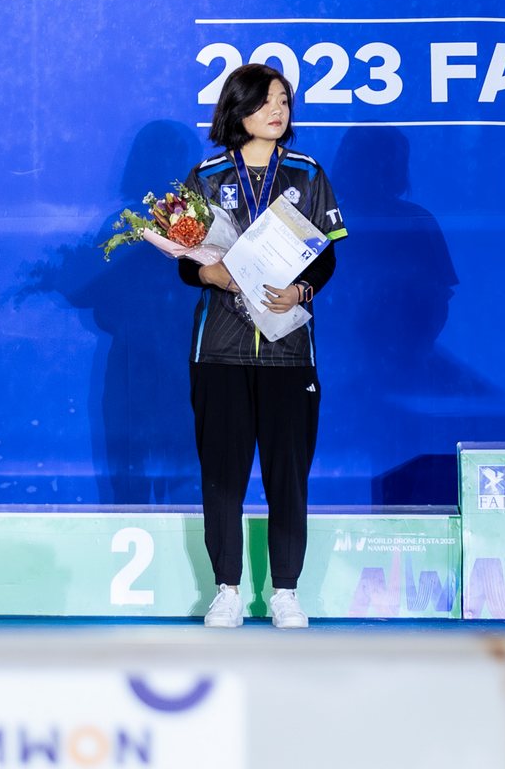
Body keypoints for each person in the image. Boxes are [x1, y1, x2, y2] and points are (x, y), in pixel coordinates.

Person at [179, 65, 349, 630]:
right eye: (264, 101)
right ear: (238, 108)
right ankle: (226, 591)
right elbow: (185, 261)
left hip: (288, 349)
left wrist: (301, 290)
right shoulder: (207, 176)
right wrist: (209, 274)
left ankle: (286, 593)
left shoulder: (306, 173)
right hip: (220, 350)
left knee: (288, 476)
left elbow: (325, 255)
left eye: (283, 101)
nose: (277, 111)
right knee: (222, 476)